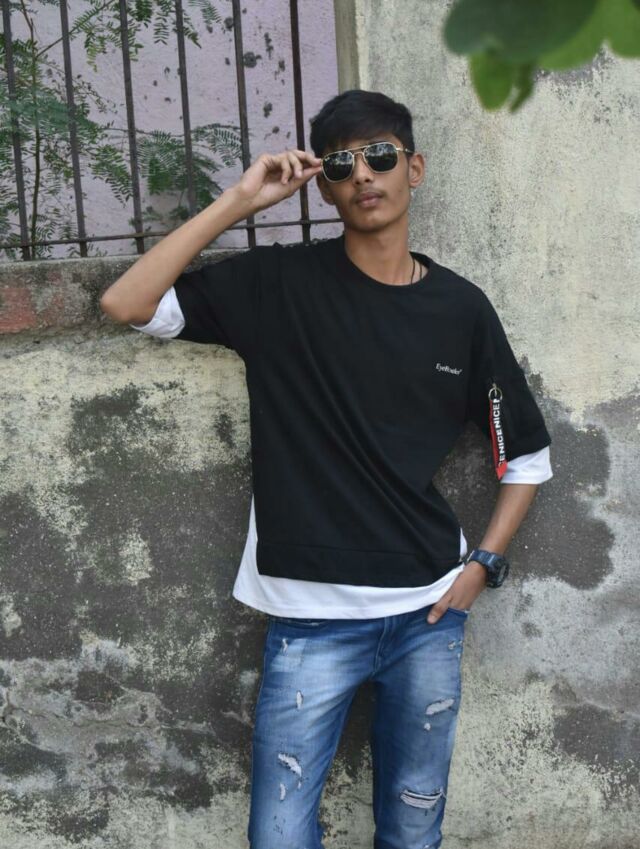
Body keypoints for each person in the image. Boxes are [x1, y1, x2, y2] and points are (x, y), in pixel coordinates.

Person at [100, 89, 552, 849]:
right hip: (310, 621)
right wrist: (242, 201)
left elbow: (525, 455)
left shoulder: (461, 309)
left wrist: (484, 564)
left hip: (429, 613)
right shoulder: (277, 286)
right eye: (340, 165)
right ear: (325, 187)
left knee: (413, 831)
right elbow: (126, 302)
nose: (362, 175)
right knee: (279, 836)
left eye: (379, 156)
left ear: (414, 169)